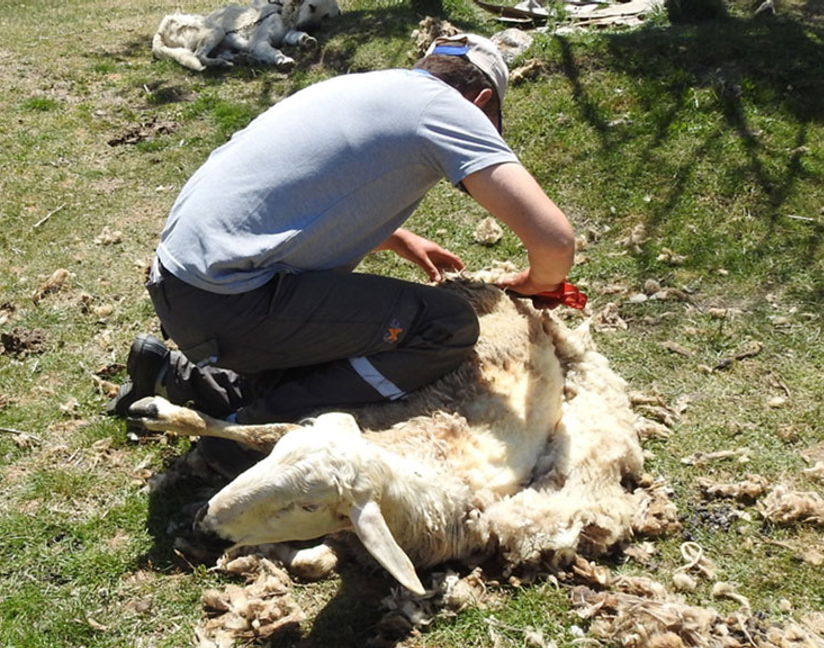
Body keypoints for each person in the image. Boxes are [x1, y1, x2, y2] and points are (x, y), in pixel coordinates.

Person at [107, 33, 576, 430]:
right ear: (483, 102)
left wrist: (397, 237)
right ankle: (258, 431)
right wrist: (542, 283)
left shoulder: (371, 88)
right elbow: (554, 240)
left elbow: (309, 190)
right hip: (227, 302)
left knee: (356, 327)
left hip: (180, 281)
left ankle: (185, 381)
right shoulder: (449, 110)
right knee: (445, 327)